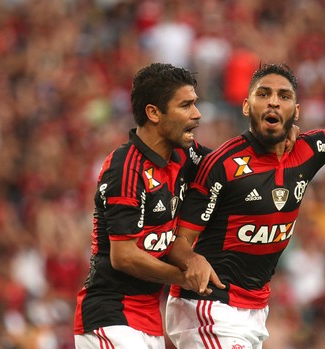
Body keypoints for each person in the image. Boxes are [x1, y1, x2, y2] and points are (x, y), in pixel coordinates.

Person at [165, 29, 325, 348]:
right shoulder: (222, 165)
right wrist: (192, 261)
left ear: (296, 112)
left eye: (284, 96)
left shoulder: (308, 150)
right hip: (208, 306)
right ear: (247, 107)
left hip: (254, 312)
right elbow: (179, 242)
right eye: (263, 94)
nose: (273, 101)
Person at [73, 63, 220, 349]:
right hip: (110, 317)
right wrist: (185, 277)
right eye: (186, 105)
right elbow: (124, 256)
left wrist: (277, 145)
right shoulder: (125, 168)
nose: (197, 114)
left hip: (149, 321)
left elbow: (227, 165)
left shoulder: (185, 156)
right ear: (154, 113)